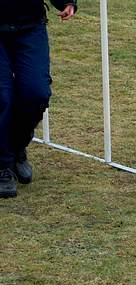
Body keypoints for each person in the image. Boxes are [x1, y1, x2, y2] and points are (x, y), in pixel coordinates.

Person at [0, 0, 77, 198]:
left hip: (30, 26)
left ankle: (17, 148)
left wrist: (67, 1)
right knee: (2, 97)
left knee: (36, 93)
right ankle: (3, 165)